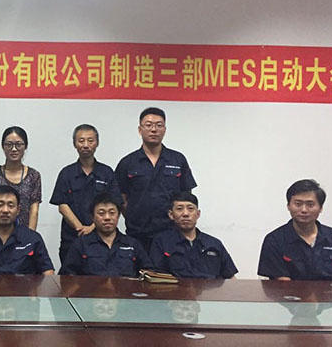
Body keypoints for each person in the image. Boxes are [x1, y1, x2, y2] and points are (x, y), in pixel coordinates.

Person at [115, 107, 196, 253]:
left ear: (164, 130)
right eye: (148, 125)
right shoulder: (127, 162)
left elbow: (186, 197)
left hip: (172, 233)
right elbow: (121, 199)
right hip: (138, 234)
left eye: (159, 125)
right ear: (140, 130)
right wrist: (136, 217)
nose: (154, 130)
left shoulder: (177, 159)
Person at [258, 179, 332, 281]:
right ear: (288, 206)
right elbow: (282, 283)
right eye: (298, 204)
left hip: (331, 291)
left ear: (320, 208)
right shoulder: (274, 240)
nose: (304, 210)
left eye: (310, 205)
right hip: (291, 291)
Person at [50, 124, 122, 263]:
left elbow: (115, 203)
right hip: (72, 238)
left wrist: (92, 227)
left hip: (102, 238)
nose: (85, 145)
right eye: (81, 141)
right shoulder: (66, 173)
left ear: (97, 143)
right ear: (74, 144)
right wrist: (80, 228)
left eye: (90, 140)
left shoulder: (106, 173)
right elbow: (62, 205)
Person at [150, 191, 237, 279]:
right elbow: (156, 278)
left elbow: (231, 277)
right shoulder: (162, 243)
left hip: (210, 287)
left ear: (198, 214)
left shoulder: (214, 244)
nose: (185, 214)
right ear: (171, 215)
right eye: (179, 209)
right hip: (177, 288)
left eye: (190, 208)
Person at [60, 192, 150, 276]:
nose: (107, 218)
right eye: (101, 213)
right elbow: (67, 277)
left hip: (125, 288)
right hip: (90, 288)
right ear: (92, 217)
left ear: (118, 215)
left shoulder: (133, 244)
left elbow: (149, 273)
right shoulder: (81, 245)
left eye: (112, 213)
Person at [0, 126, 42, 230]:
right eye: (9, 144)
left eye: (18, 144)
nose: (14, 149)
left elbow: (34, 210)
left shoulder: (34, 176)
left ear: (25, 146)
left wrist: (30, 236)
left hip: (24, 233)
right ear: (3, 146)